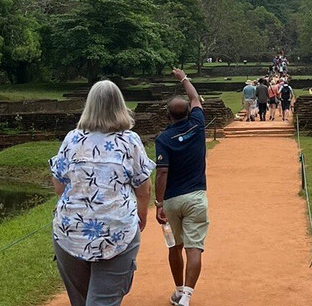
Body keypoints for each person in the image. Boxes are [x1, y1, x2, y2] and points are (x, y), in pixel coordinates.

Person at [50, 79, 153, 306]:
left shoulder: (72, 139)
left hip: (70, 234)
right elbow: (143, 188)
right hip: (117, 232)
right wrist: (142, 214)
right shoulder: (129, 141)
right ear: (120, 105)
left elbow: (59, 186)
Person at [155, 69, 209, 306]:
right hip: (196, 196)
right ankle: (186, 295)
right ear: (189, 112)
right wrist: (183, 78)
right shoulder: (197, 124)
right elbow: (195, 97)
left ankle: (178, 289)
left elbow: (162, 172)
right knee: (194, 247)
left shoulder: (163, 139)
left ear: (168, 116)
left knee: (174, 246)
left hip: (171, 199)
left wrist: (159, 203)